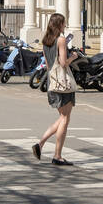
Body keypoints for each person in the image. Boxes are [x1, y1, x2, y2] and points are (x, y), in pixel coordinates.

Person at [33, 13, 76, 166]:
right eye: (64, 23)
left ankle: (41, 144)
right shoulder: (61, 40)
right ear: (59, 25)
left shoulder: (46, 41)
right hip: (64, 84)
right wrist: (74, 57)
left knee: (62, 118)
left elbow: (48, 63)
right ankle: (57, 156)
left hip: (53, 82)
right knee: (65, 119)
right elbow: (64, 63)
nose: (65, 25)